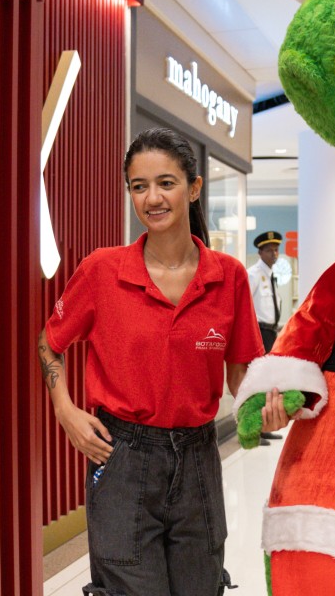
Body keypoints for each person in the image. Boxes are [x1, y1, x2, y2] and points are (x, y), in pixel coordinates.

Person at [37, 127, 267, 596]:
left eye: (166, 182)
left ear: (194, 187)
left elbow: (241, 373)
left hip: (200, 460)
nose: (152, 198)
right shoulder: (102, 270)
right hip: (122, 458)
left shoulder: (229, 277)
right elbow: (49, 342)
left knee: (203, 587)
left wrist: (265, 403)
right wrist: (65, 411)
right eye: (139, 186)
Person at [248, 230, 285, 352]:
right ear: (260, 252)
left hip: (271, 332)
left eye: (276, 250)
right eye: (269, 250)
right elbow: (245, 305)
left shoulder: (270, 275)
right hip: (260, 332)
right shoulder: (253, 274)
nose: (274, 254)